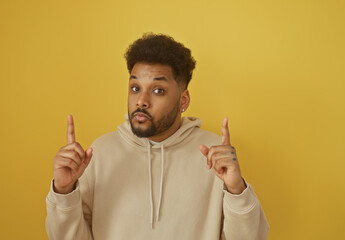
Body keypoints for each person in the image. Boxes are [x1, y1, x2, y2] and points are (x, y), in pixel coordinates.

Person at [45, 33, 269, 240]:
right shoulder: (100, 152)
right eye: (135, 88)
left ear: (184, 100)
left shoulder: (214, 155)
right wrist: (64, 191)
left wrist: (236, 190)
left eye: (157, 90)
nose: (141, 100)